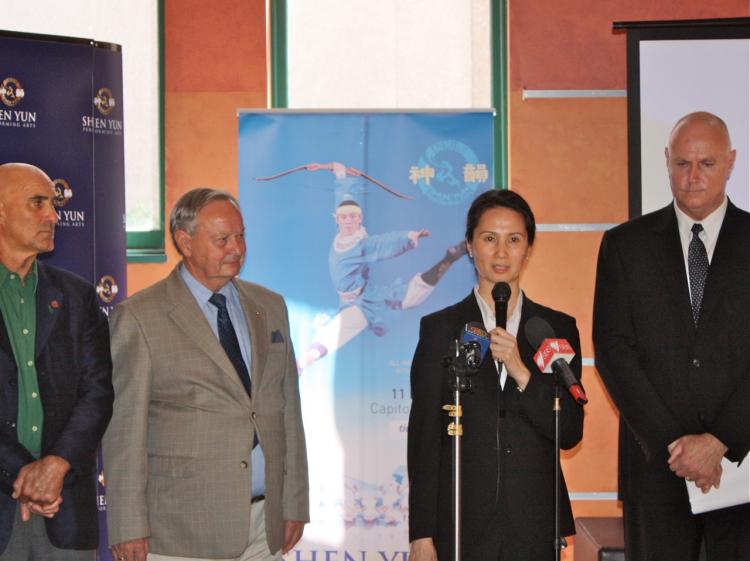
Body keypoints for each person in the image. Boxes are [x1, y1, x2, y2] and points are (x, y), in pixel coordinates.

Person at [102, 188, 308, 561]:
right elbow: (124, 431)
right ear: (185, 242)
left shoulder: (270, 305)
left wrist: (295, 502)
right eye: (222, 239)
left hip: (266, 525)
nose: (237, 248)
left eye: (241, 236)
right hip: (181, 533)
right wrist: (128, 525)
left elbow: (288, 410)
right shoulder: (139, 317)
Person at [593, 111, 750, 561]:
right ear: (666, 161)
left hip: (741, 465)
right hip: (656, 470)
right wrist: (679, 448)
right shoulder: (625, 246)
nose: (693, 176)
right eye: (683, 163)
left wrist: (720, 440)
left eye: (707, 163)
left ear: (731, 161)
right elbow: (614, 350)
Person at [407, 189, 584, 561]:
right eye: (489, 239)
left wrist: (523, 372)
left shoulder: (555, 329)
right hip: (460, 525)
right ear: (470, 246)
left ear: (529, 248)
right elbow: (424, 439)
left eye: (514, 240)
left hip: (536, 527)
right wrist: (421, 535)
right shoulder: (440, 329)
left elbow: (569, 431)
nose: (501, 252)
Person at [0, 162, 113, 560]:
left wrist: (56, 465)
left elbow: (97, 392)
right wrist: (24, 473)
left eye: (53, 204)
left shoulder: (76, 296)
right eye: (37, 203)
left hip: (64, 511)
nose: (53, 215)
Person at [297, 197, 466, 371]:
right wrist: (340, 173)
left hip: (363, 302)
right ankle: (300, 364)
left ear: (360, 218)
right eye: (344, 217)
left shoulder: (360, 245)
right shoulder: (342, 235)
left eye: (353, 217)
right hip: (361, 299)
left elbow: (382, 243)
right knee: (335, 332)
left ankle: (447, 260)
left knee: (409, 298)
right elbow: (345, 194)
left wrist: (408, 237)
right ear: (336, 219)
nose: (348, 221)